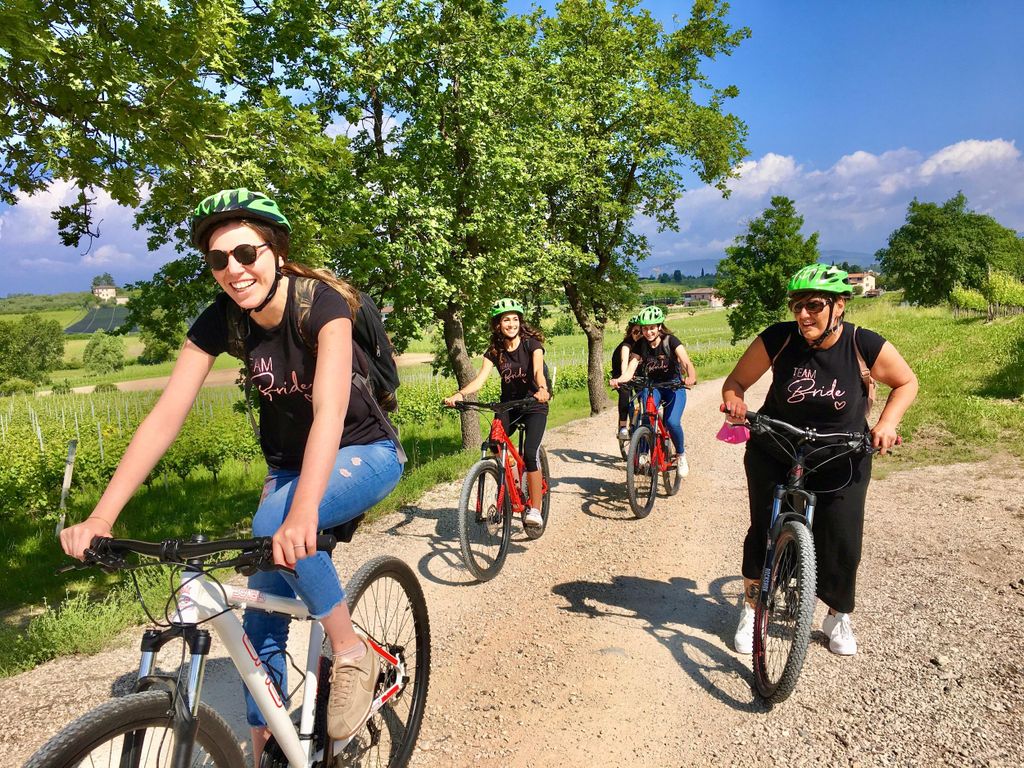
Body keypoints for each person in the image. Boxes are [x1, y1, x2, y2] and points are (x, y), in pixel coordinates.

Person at [58, 188, 404, 763]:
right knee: (261, 615)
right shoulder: (223, 319)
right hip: (290, 466)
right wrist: (102, 515)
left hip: (365, 451)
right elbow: (165, 417)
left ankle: (350, 653)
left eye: (246, 253)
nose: (233, 270)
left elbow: (329, 411)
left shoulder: (321, 304)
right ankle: (272, 747)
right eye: (219, 259)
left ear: (277, 253)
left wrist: (300, 512)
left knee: (273, 525)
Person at [721, 263, 917, 657]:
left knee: (842, 537)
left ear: (839, 305)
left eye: (813, 305)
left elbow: (906, 382)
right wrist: (734, 401)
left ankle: (837, 615)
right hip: (776, 445)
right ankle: (753, 608)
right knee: (763, 530)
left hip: (841, 453)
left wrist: (886, 423)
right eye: (797, 306)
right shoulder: (778, 338)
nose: (803, 315)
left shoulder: (863, 343)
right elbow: (735, 382)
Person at [444, 298, 551, 527]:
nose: (511, 324)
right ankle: (512, 480)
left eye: (515, 319)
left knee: (530, 453)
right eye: (506, 320)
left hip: (534, 404)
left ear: (520, 322)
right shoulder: (495, 351)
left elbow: (538, 371)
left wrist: (542, 389)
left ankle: (535, 509)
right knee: (494, 442)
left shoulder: (532, 344)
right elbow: (479, 380)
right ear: (498, 325)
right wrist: (460, 394)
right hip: (509, 405)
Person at [609, 305, 697, 476]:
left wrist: (691, 376)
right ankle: (643, 453)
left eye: (651, 328)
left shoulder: (670, 341)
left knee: (672, 422)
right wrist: (619, 380)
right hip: (653, 387)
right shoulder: (640, 345)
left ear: (659, 327)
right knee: (646, 417)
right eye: (645, 329)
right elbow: (630, 369)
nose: (648, 332)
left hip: (673, 387)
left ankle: (680, 455)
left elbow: (686, 362)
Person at [611, 316, 643, 441]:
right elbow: (624, 362)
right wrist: (624, 378)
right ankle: (623, 427)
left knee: (644, 394)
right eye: (635, 331)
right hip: (620, 374)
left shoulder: (644, 344)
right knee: (625, 392)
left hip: (636, 373)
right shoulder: (626, 345)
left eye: (641, 331)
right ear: (630, 332)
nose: (638, 334)